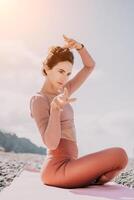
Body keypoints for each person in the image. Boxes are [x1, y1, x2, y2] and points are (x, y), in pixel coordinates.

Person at [29, 35, 128, 189]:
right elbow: (51, 143)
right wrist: (55, 109)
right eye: (61, 71)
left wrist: (80, 48)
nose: (64, 78)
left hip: (71, 164)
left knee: (121, 158)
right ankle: (88, 180)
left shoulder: (64, 91)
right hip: (56, 170)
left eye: (68, 73)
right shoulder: (39, 100)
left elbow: (89, 66)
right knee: (118, 154)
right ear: (47, 69)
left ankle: (89, 179)